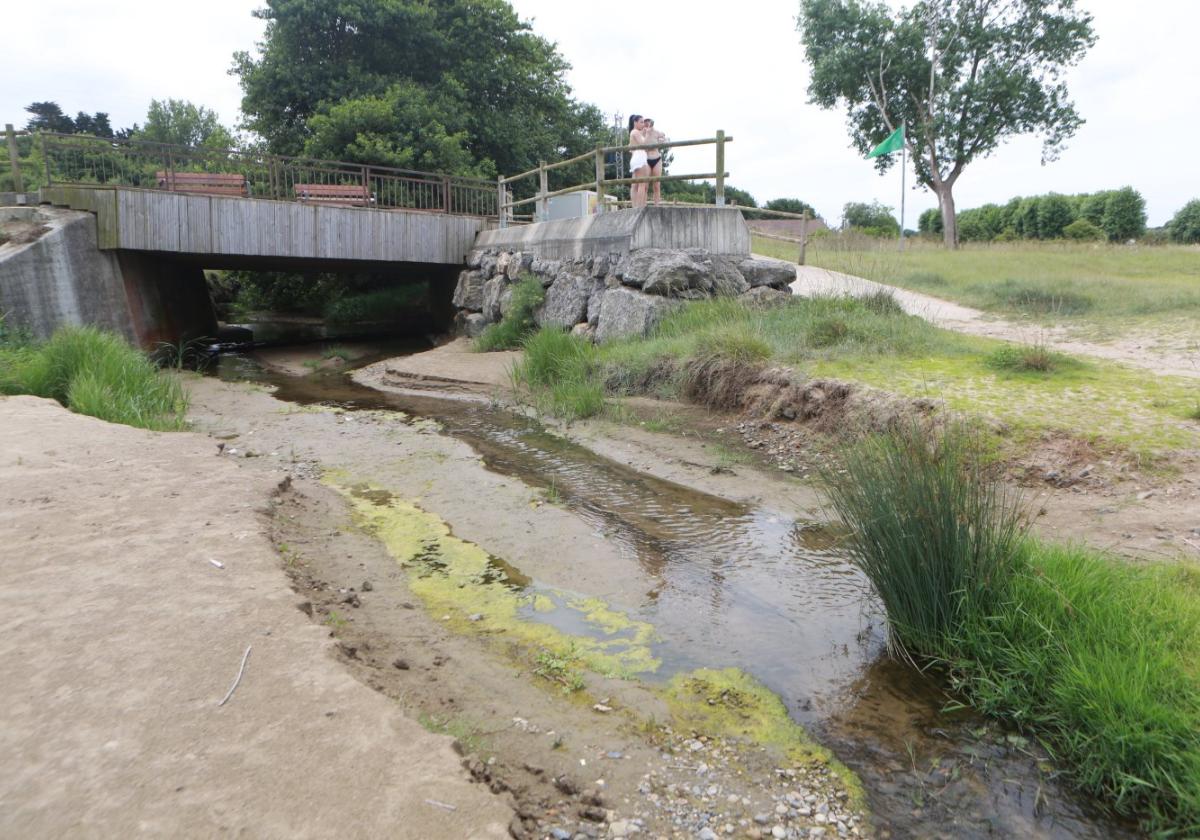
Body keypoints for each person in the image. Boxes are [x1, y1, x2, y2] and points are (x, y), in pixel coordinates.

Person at [643, 118, 668, 205]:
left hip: (657, 158)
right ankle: (644, 205)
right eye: (645, 122)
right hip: (646, 159)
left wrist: (662, 140)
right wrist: (646, 132)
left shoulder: (657, 132)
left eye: (648, 121)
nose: (646, 123)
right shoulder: (643, 133)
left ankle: (657, 205)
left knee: (656, 185)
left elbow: (664, 137)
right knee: (645, 185)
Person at [627, 114, 649, 208]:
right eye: (641, 122)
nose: (643, 124)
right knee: (642, 184)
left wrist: (643, 134)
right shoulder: (635, 132)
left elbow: (630, 148)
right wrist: (647, 134)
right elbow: (643, 144)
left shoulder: (634, 132)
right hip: (639, 158)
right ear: (635, 122)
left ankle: (635, 206)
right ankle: (639, 207)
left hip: (637, 158)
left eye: (643, 122)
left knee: (635, 185)